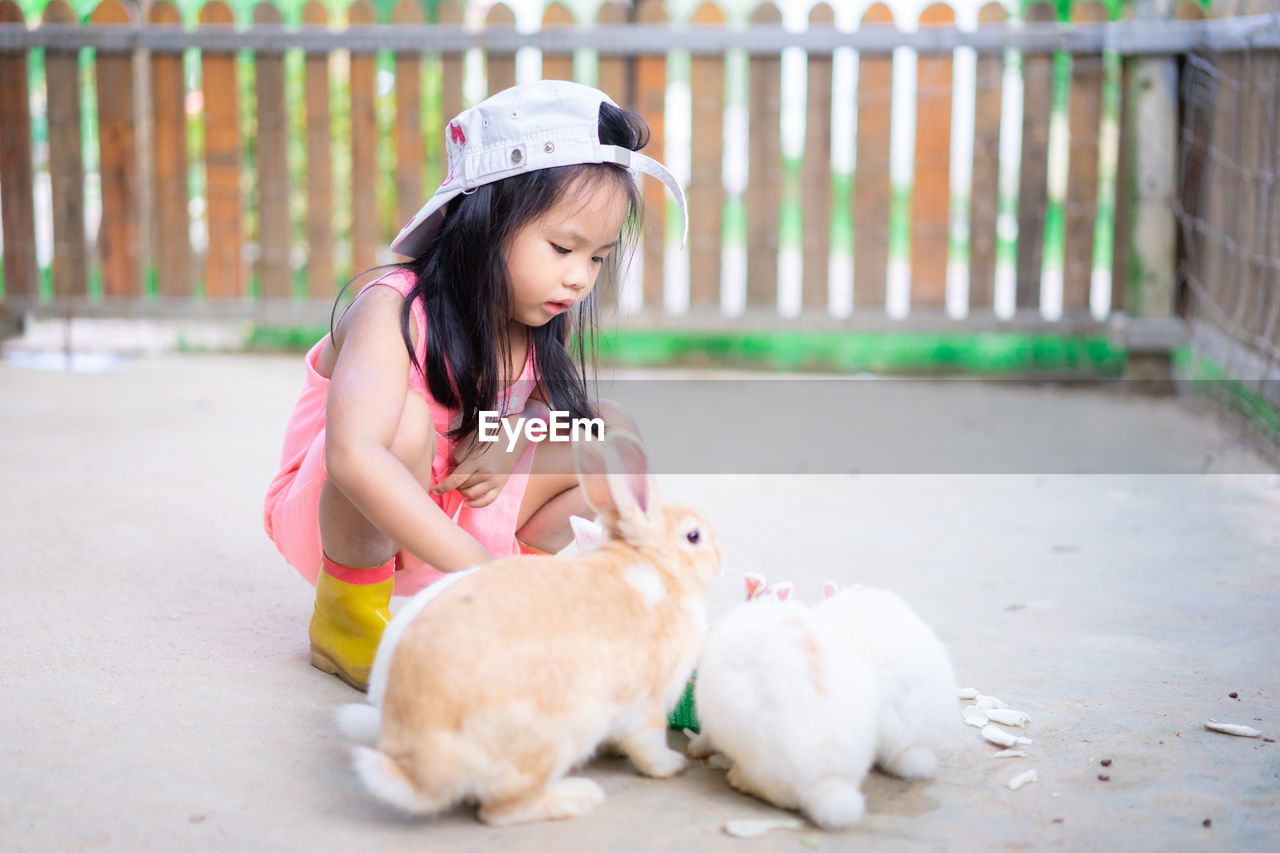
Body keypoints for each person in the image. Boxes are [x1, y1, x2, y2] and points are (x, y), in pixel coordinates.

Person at [262, 80, 687, 692]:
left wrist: (516, 429)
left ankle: (519, 601)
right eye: (563, 246)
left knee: (609, 427)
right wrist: (483, 571)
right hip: (343, 526)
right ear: (485, 222)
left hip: (455, 510)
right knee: (404, 422)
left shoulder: (537, 314)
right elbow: (352, 458)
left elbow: (552, 408)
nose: (578, 278)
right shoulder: (392, 308)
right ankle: (348, 617)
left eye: (596, 258)